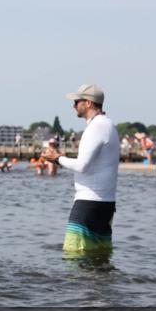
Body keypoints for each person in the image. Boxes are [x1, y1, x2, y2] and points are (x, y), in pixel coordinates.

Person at [42, 84, 120, 264]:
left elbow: (82, 165)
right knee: (99, 261)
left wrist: (57, 158)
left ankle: (83, 293)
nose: (73, 106)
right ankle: (101, 293)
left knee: (74, 259)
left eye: (77, 101)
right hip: (105, 204)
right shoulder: (108, 124)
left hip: (88, 203)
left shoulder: (96, 127)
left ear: (89, 103)